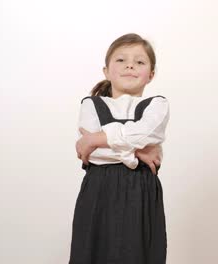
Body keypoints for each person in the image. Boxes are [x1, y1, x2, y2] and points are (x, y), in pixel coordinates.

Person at [69, 33, 169, 264]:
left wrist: (98, 138)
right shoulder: (91, 104)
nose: (130, 65)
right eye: (121, 60)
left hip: (140, 189)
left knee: (138, 253)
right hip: (99, 188)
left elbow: (146, 132)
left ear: (151, 74)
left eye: (140, 62)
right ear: (106, 71)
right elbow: (95, 153)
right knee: (93, 252)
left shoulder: (158, 104)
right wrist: (138, 152)